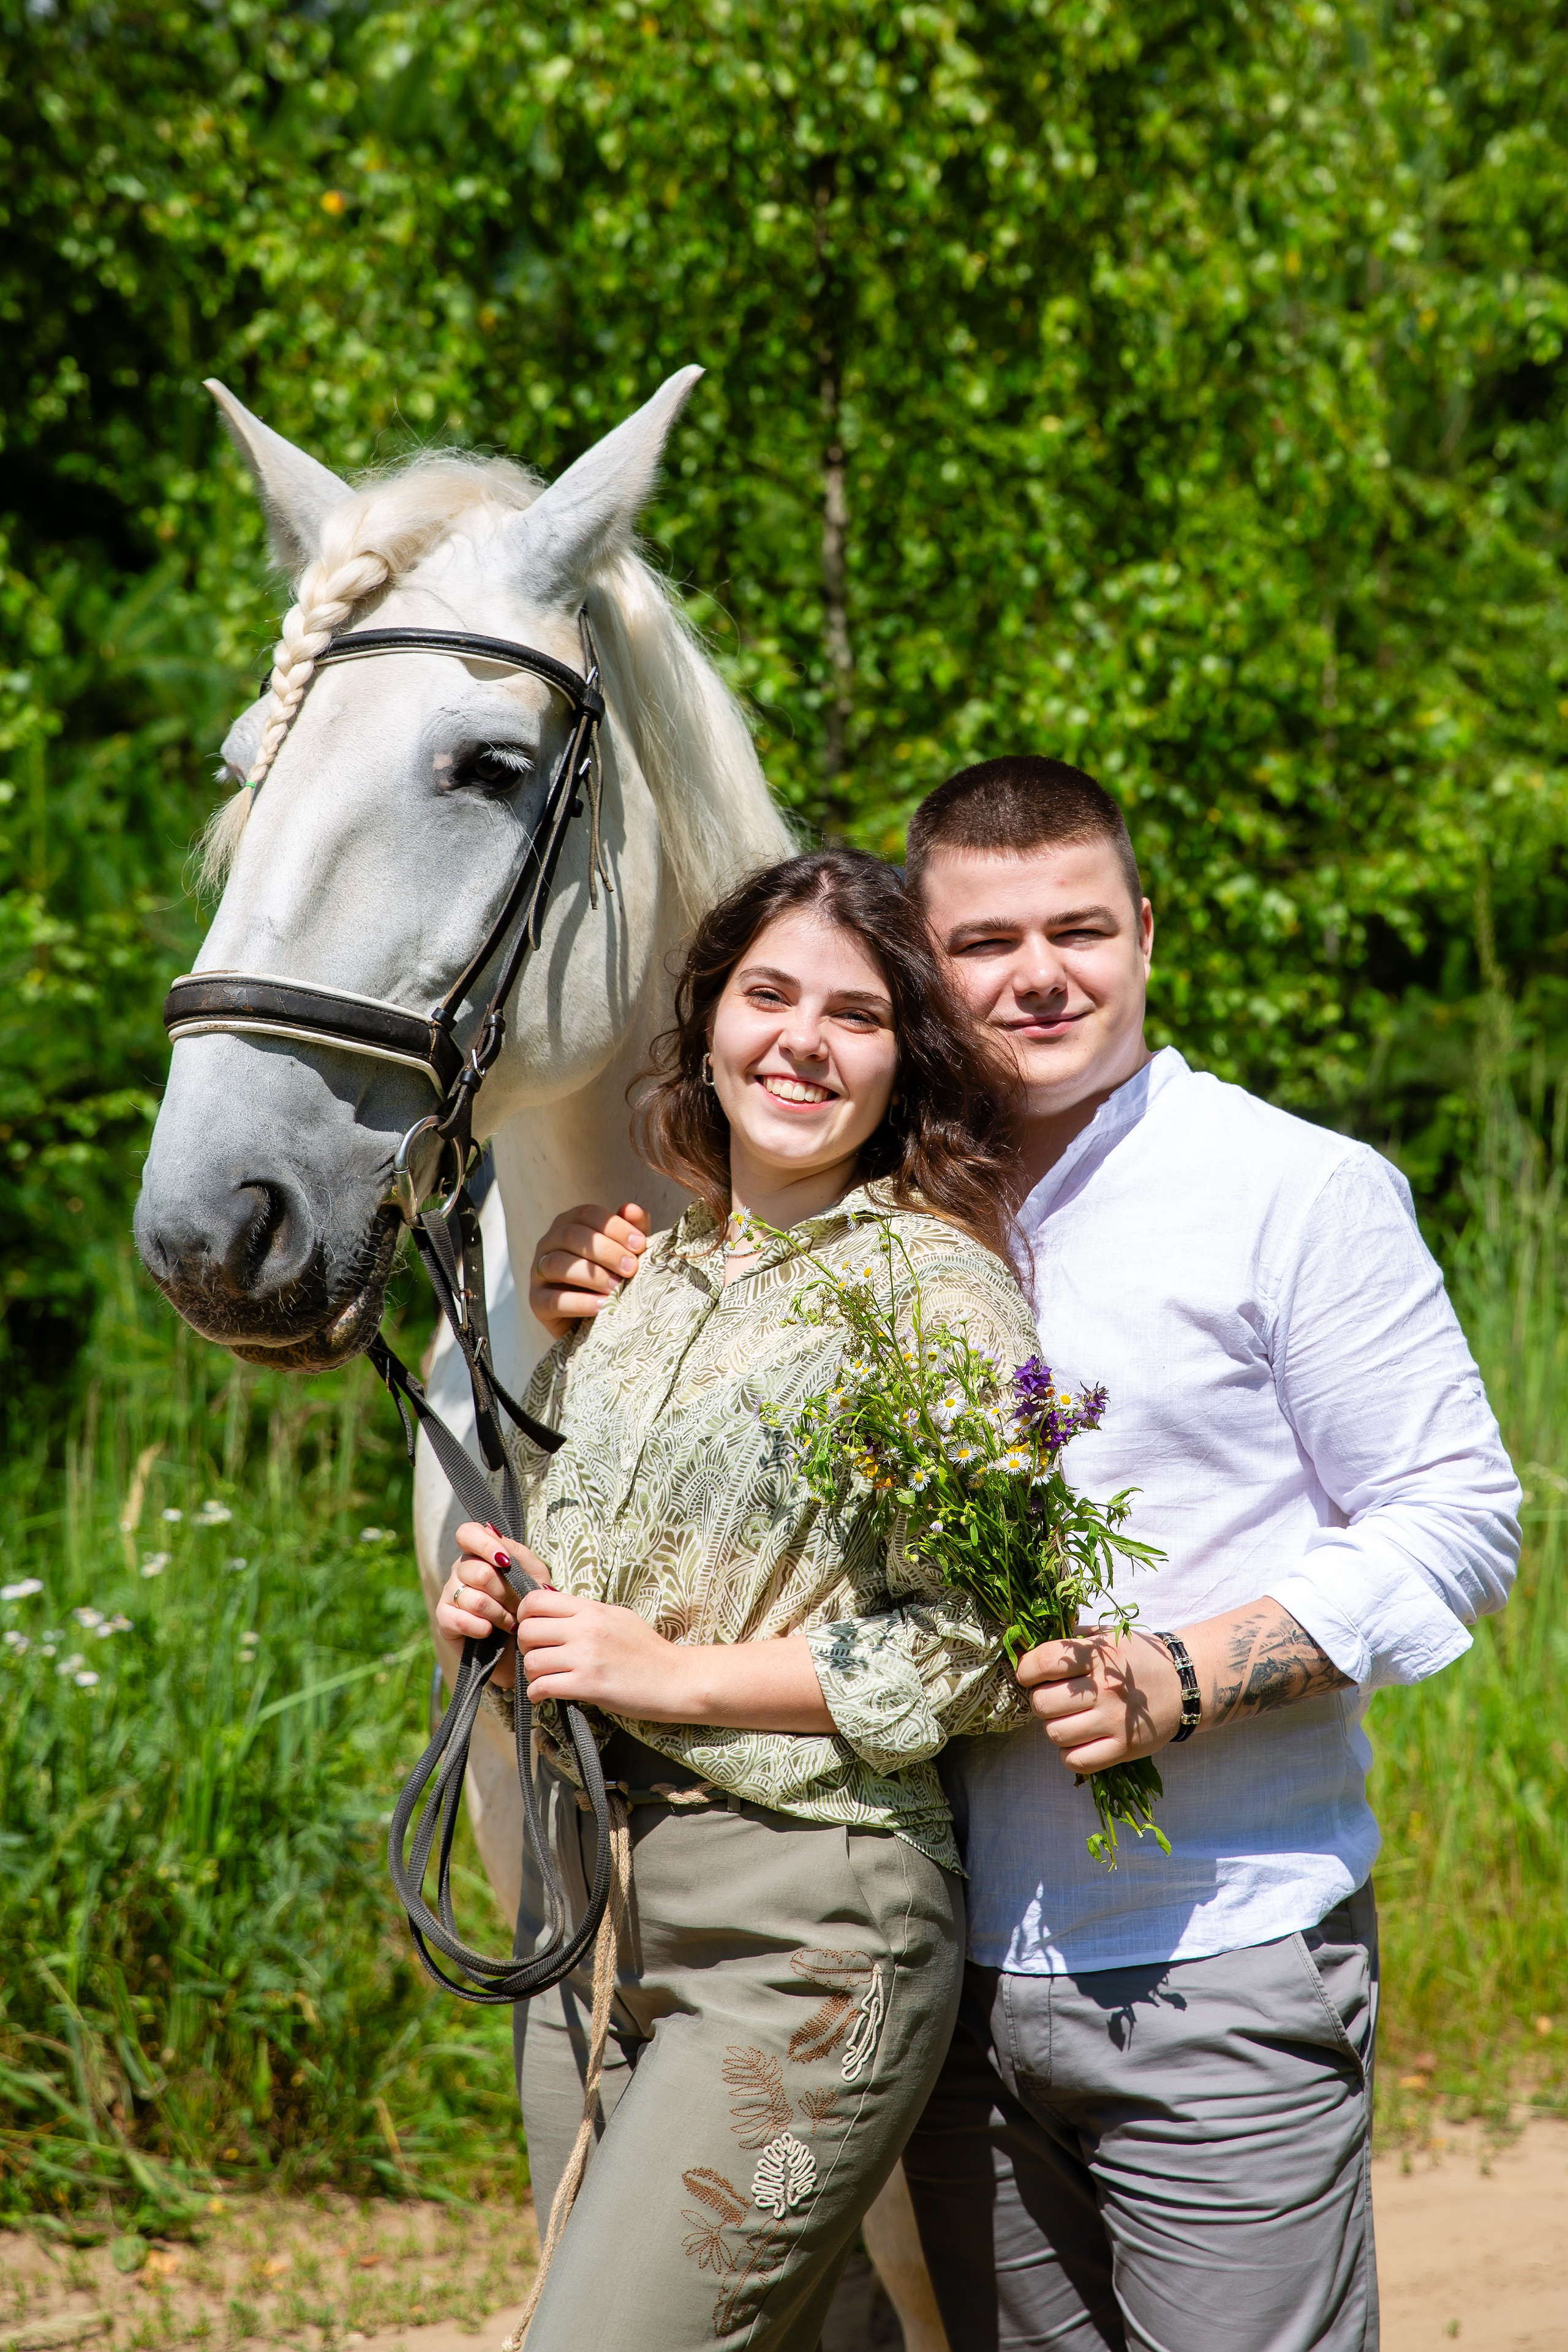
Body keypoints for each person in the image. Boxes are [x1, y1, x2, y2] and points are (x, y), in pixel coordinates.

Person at [530, 760, 1521, 2352]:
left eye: (1080, 929)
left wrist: (1187, 1673)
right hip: (962, 1968)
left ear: (1146, 931)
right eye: (985, 942)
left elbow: (1460, 1514)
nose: (1039, 974)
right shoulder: (866, 1191)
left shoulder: (1288, 1189)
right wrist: (619, 1286)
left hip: (1218, 1947)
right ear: (928, 966)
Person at [439, 846, 1042, 2352]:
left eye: (854, 1015)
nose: (801, 1042)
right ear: (705, 1019)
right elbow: (622, 1580)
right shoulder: (644, 1281)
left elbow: (976, 1639)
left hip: (805, 1950)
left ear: (903, 1060)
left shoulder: (935, 1288)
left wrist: (667, 1676)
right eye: (767, 994)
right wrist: (510, 1603)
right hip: (594, 1916)